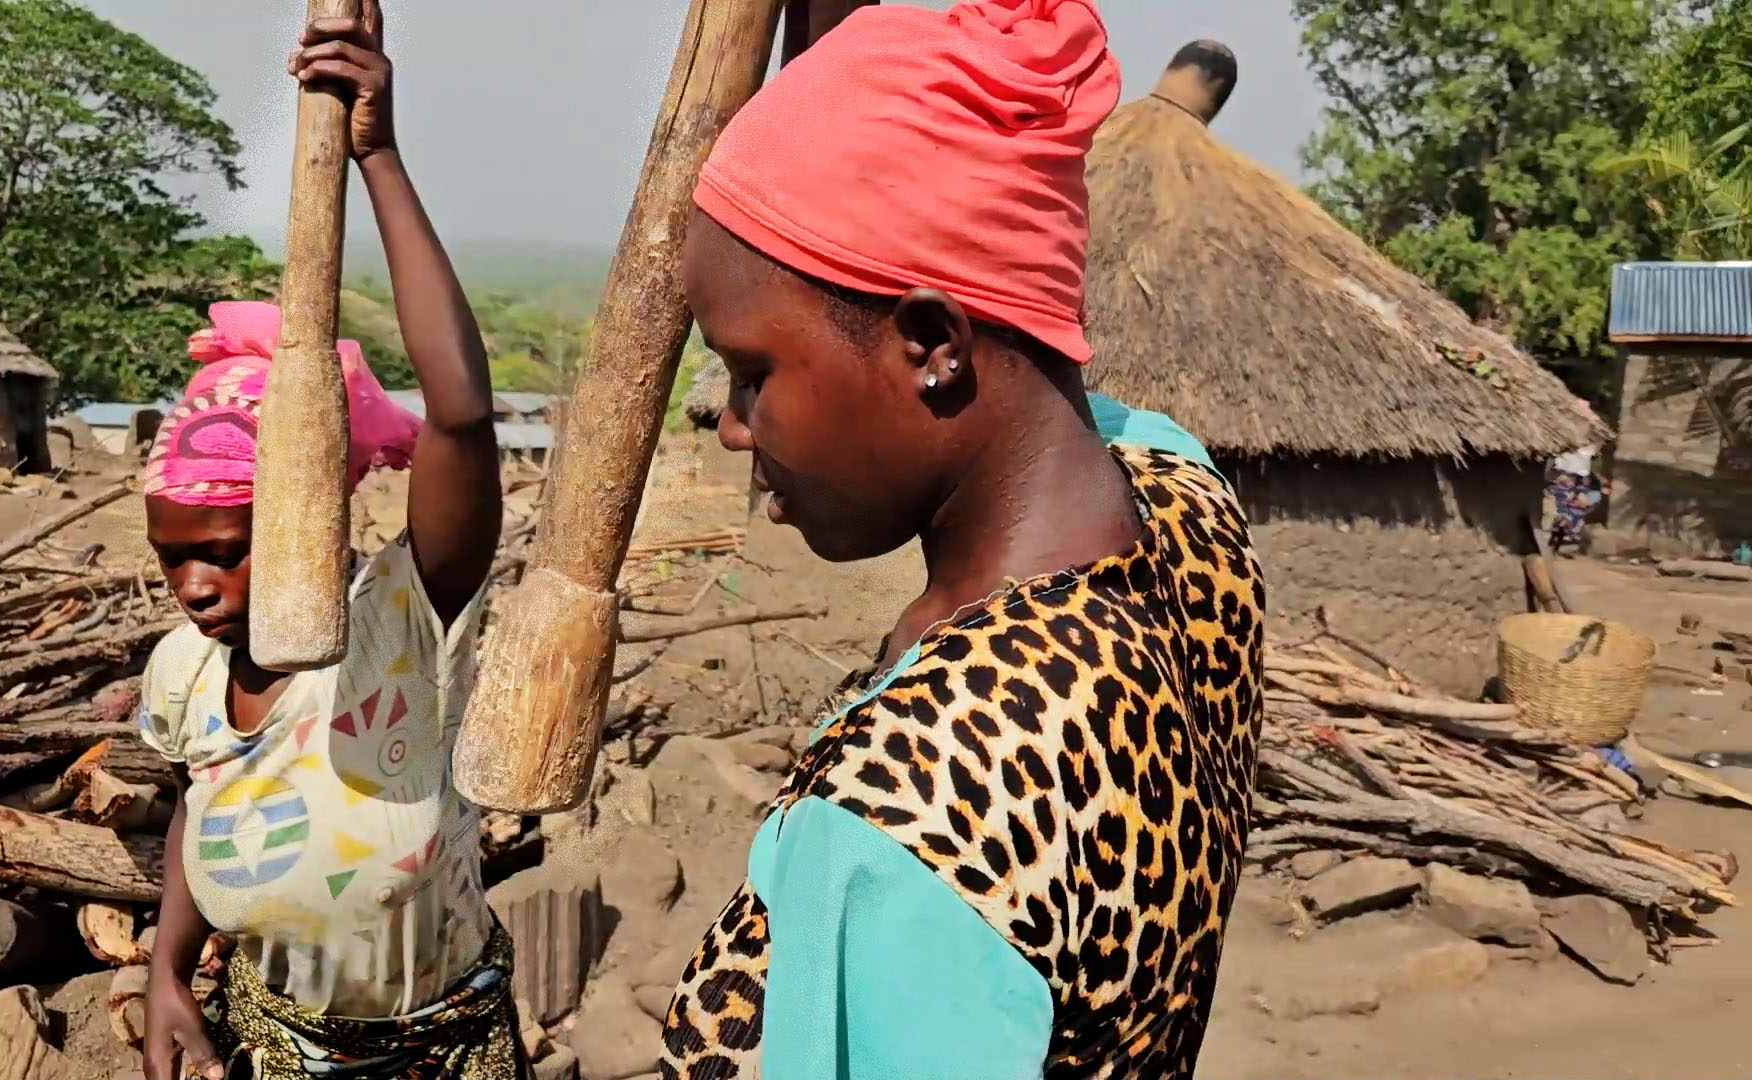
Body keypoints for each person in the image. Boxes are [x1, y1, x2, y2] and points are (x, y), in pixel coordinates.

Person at [657, 2, 1265, 1079]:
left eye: (753, 373)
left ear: (935, 344)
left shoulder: (904, 829)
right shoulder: (1191, 510)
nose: (735, 424)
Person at [135, 4, 522, 1077]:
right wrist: (171, 972)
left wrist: (380, 157)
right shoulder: (183, 676)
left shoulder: (402, 617)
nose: (197, 587)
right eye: (173, 558)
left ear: (310, 513)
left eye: (223, 546)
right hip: (272, 1045)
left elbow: (458, 412)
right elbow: (197, 802)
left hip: (439, 1052)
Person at [1546, 444, 1602, 554]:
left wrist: (1585, 499)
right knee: (1558, 511)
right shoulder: (1562, 464)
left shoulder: (1584, 475)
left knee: (1573, 513)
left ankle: (1569, 538)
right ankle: (1562, 535)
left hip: (1575, 491)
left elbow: (1591, 493)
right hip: (1563, 488)